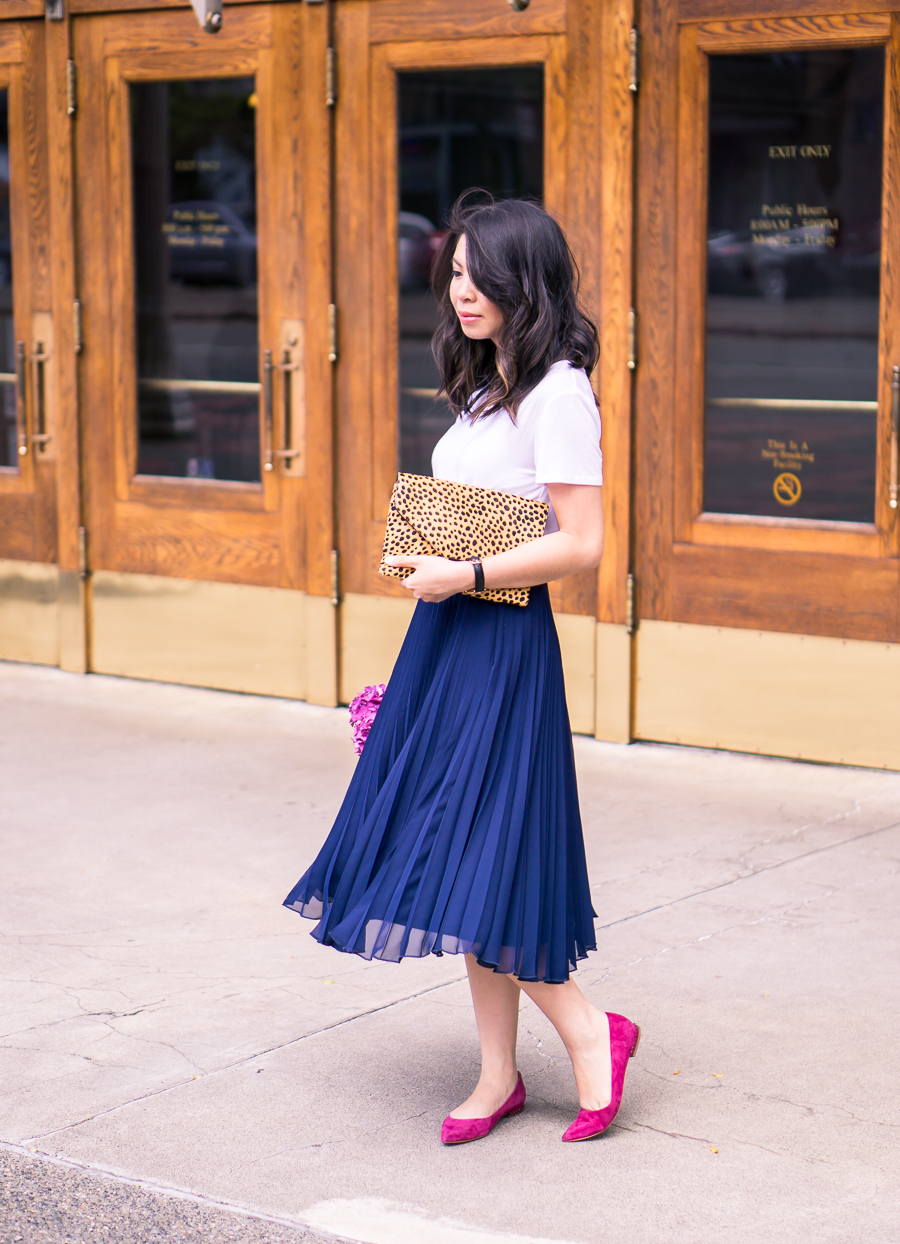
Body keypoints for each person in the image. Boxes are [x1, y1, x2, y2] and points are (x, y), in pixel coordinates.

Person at [284, 195, 640, 1145]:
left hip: (501, 642)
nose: (462, 290)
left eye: (482, 275)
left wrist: (468, 571)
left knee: (485, 852)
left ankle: (591, 1032)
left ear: (530, 282)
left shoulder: (558, 392)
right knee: (459, 853)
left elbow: (584, 543)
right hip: (446, 632)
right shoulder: (488, 386)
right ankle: (496, 1076)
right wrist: (430, 563)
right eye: (454, 272)